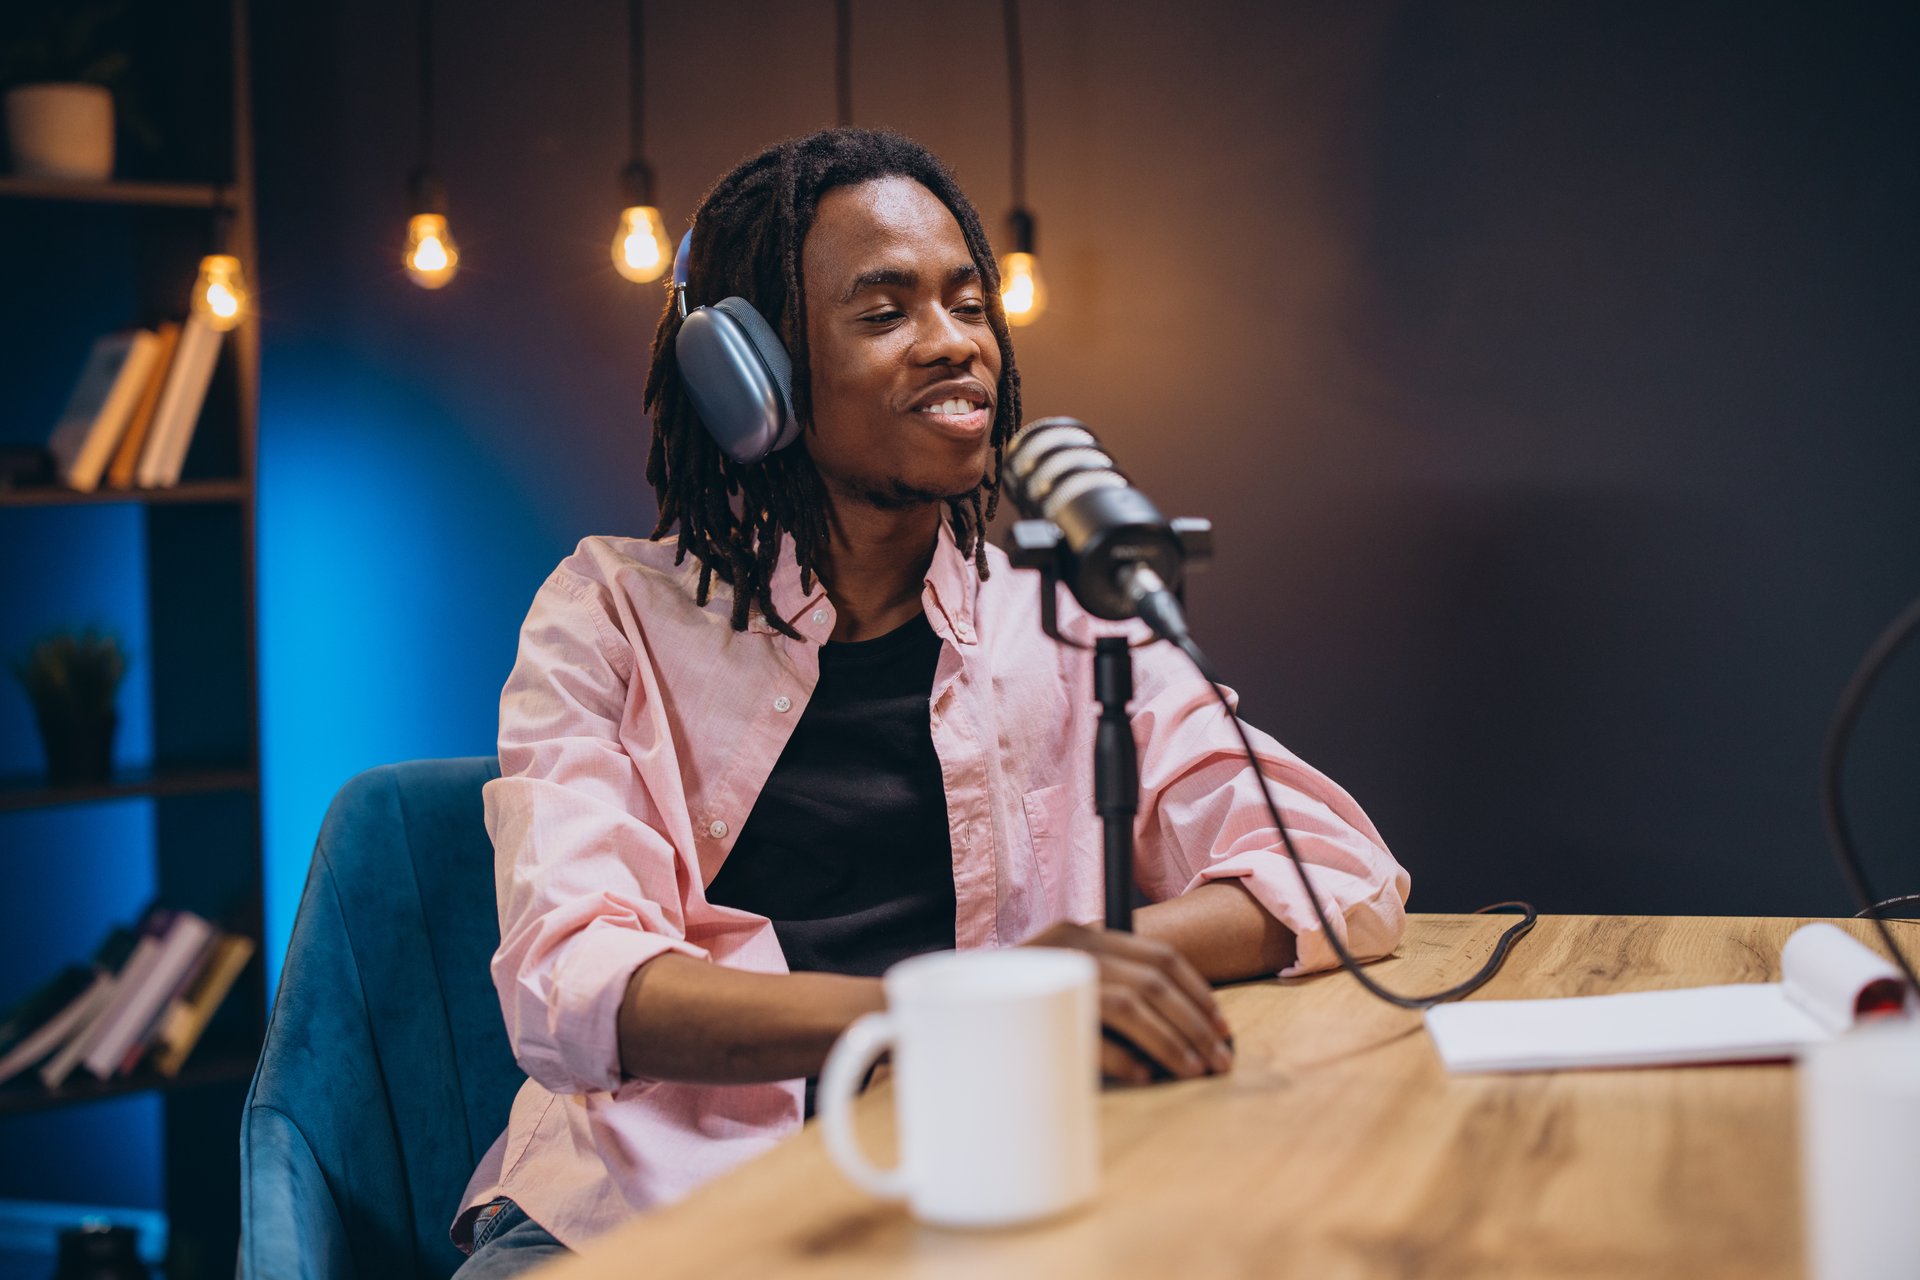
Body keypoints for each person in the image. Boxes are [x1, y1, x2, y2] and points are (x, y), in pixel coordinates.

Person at [451, 128, 1410, 1276]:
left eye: (970, 303)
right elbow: (578, 983)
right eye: (885, 310)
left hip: (960, 1169)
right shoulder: (609, 614)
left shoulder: (1067, 619)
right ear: (749, 374)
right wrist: (951, 1005)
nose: (956, 344)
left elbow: (1332, 867)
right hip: (646, 1204)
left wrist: (1045, 982)